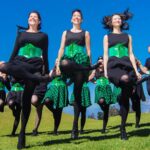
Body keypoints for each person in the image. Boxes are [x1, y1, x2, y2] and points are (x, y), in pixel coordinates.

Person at [0, 11, 50, 149]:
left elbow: (45, 55)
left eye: (35, 17)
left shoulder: (43, 36)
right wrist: (8, 69)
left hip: (34, 66)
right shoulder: (21, 35)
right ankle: (34, 78)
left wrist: (46, 72)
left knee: (26, 100)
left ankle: (22, 133)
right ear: (28, 20)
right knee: (3, 65)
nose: (32, 18)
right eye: (30, 17)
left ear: (39, 21)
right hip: (19, 64)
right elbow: (14, 51)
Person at [56, 9, 99, 139]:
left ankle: (75, 127)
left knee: (77, 95)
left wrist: (90, 69)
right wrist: (58, 63)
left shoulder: (86, 33)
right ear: (71, 19)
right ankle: (78, 68)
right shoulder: (65, 32)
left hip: (81, 61)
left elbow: (89, 50)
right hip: (68, 60)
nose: (76, 18)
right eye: (74, 16)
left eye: (78, 16)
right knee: (64, 64)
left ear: (82, 20)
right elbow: (61, 48)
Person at [102, 9, 141, 140]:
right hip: (113, 66)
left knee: (125, 99)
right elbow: (106, 55)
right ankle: (123, 96)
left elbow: (131, 54)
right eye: (115, 19)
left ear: (122, 21)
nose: (117, 20)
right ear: (110, 23)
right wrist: (106, 71)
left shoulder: (128, 36)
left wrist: (136, 71)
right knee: (124, 80)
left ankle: (123, 127)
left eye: (119, 18)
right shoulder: (107, 37)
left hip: (127, 65)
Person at [89, 57, 120, 133]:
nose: (101, 63)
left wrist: (110, 80)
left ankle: (103, 128)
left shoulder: (107, 69)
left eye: (102, 62)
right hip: (99, 88)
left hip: (107, 89)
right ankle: (104, 109)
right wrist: (95, 82)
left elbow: (112, 76)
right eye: (99, 62)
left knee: (106, 110)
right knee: (101, 101)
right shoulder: (95, 70)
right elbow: (89, 78)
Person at [42, 60, 68, 135]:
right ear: (55, 63)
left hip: (61, 89)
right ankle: (54, 111)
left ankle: (55, 130)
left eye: (59, 61)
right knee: (46, 100)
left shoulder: (65, 71)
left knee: (59, 110)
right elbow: (48, 79)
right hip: (52, 88)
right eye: (56, 61)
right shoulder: (52, 71)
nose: (57, 62)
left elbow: (72, 76)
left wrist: (68, 83)